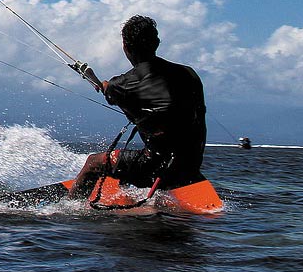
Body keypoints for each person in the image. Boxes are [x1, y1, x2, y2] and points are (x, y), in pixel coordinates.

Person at [68, 15, 207, 198]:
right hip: (191, 164)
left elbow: (110, 90)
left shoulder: (124, 84)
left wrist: (96, 81)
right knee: (136, 158)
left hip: (157, 169)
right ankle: (133, 187)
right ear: (157, 42)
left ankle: (70, 207)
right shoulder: (189, 74)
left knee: (93, 163)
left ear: (125, 47)